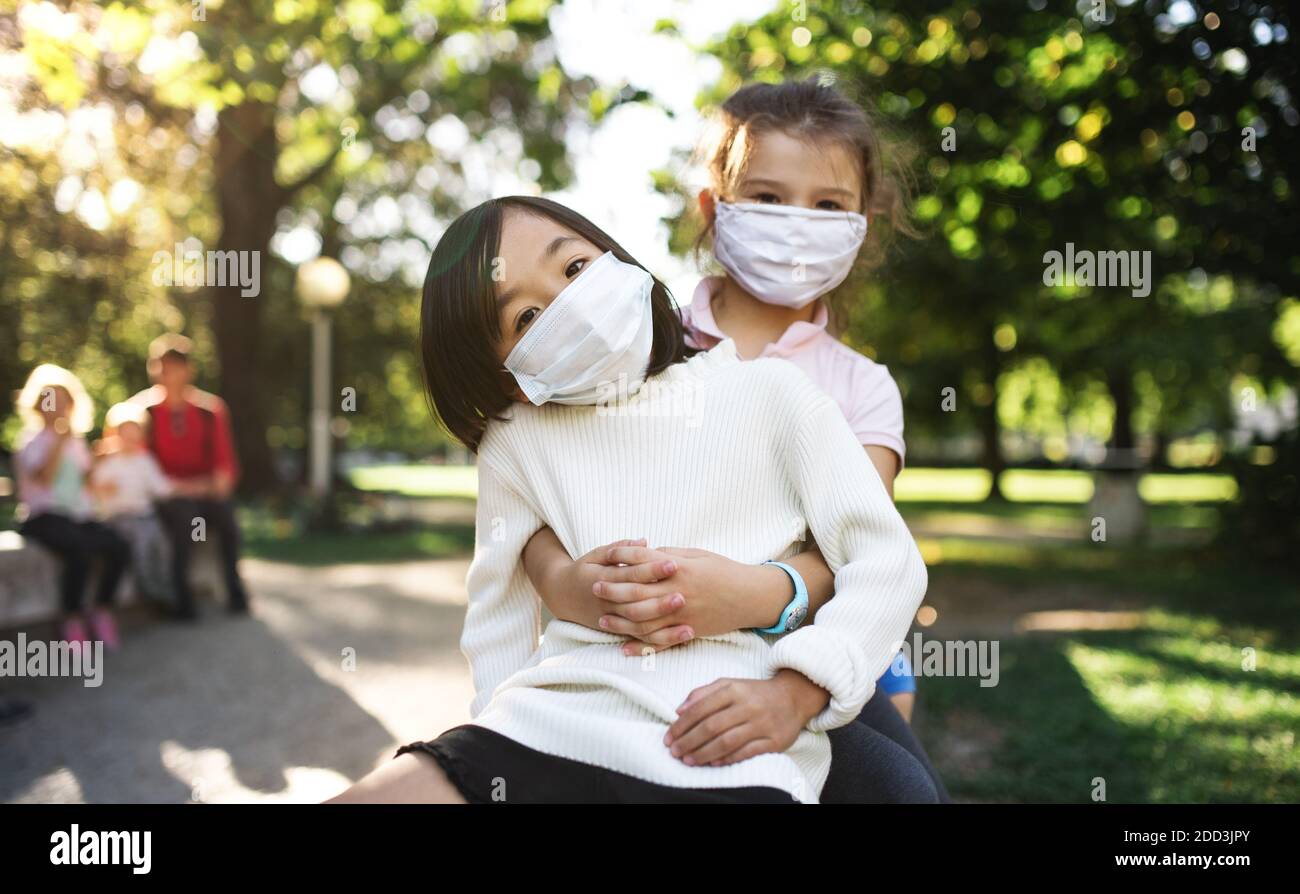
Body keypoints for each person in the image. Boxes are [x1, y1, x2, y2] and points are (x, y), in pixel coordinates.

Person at [329, 196, 931, 804]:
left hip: (720, 743)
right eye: (528, 317)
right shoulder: (515, 442)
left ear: (616, 257)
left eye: (573, 269)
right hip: (540, 728)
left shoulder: (774, 394)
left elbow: (888, 562)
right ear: (508, 376)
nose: (569, 306)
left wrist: (797, 691)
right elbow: (497, 619)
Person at [518, 78, 945, 801]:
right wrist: (562, 581)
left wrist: (753, 606)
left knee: (905, 792)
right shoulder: (636, 341)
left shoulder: (862, 388)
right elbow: (531, 479)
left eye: (828, 205)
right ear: (714, 209)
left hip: (808, 648)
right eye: (769, 197)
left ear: (862, 224)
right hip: (627, 648)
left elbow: (857, 557)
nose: (796, 220)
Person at [129, 334, 250, 619]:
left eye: (171, 366)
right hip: (165, 496)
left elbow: (223, 473)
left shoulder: (210, 411)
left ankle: (235, 592)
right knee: (184, 519)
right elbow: (139, 466)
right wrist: (179, 488)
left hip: (202, 494)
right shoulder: (141, 413)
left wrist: (194, 487)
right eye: (159, 366)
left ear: (187, 370)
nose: (164, 373)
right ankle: (182, 601)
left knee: (226, 518)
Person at [12, 364, 129, 650]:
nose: (57, 409)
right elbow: (44, 478)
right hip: (43, 517)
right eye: (51, 401)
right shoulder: (31, 441)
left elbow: (84, 484)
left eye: (63, 402)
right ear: (39, 406)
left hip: (75, 516)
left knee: (118, 545)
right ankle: (71, 616)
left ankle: (101, 609)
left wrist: (100, 462)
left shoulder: (75, 442)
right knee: (79, 550)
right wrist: (58, 441)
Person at [90, 402, 175, 608]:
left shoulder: (145, 461)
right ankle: (150, 591)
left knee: (163, 546)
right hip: (121, 517)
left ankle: (167, 589)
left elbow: (161, 488)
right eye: (125, 434)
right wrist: (103, 489)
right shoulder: (109, 463)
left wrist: (185, 487)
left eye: (134, 434)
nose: (130, 440)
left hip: (146, 515)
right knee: (141, 547)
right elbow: (94, 488)